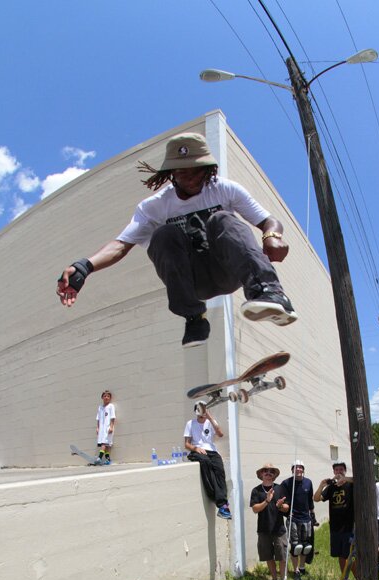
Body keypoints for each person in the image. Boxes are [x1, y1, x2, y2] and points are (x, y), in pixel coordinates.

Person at [56, 132, 298, 348]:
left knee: (222, 219)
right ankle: (194, 319)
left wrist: (272, 236)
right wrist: (84, 267)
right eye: (183, 174)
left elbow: (268, 221)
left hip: (228, 270)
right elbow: (121, 245)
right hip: (192, 282)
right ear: (171, 174)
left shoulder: (225, 189)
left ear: (208, 169)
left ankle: (270, 292)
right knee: (163, 234)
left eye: (197, 173)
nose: (191, 181)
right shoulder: (155, 206)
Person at [183, 402, 231, 519]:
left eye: (204, 409)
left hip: (212, 451)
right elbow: (187, 444)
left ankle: (223, 505)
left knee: (219, 469)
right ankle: (217, 499)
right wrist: (196, 448)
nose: (202, 412)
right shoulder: (191, 423)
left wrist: (209, 416)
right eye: (200, 410)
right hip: (197, 450)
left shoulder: (210, 423)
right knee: (205, 463)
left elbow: (220, 434)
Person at [315, 461, 355, 580]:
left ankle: (360, 579)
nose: (338, 472)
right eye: (336, 470)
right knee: (340, 555)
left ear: (345, 471)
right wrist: (321, 485)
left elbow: (360, 480)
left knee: (350, 555)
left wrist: (345, 479)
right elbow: (316, 498)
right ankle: (344, 579)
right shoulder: (331, 487)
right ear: (333, 472)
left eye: (341, 470)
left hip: (349, 526)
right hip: (335, 527)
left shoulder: (351, 484)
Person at [250, 464, 290, 580]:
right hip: (263, 529)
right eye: (265, 471)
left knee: (282, 556)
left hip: (279, 529)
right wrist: (267, 500)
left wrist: (280, 506)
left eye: (271, 471)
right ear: (261, 474)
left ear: (274, 475)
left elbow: (287, 508)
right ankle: (274, 579)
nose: (268, 473)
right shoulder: (256, 490)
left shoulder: (280, 488)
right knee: (268, 556)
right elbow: (255, 509)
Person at [281, 461, 314, 580]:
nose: (298, 469)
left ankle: (302, 567)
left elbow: (310, 500)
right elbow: (283, 499)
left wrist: (313, 514)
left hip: (306, 518)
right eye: (296, 468)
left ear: (303, 469)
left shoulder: (308, 482)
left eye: (300, 467)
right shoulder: (287, 483)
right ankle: (296, 571)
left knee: (305, 546)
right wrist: (287, 512)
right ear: (292, 470)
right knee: (296, 546)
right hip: (293, 518)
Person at [96, 390, 116, 464]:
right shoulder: (100, 407)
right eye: (105, 396)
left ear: (110, 398)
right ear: (102, 397)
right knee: (106, 444)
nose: (106, 397)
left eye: (108, 396)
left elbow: (113, 417)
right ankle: (108, 460)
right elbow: (98, 418)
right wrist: (97, 428)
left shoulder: (111, 406)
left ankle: (99, 458)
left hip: (108, 428)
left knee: (104, 443)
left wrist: (111, 427)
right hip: (102, 429)